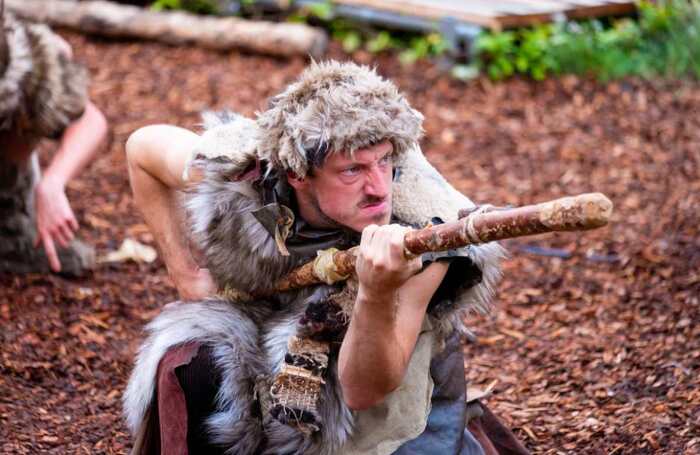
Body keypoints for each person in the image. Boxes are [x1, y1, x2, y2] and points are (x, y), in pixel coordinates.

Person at [123, 61, 529, 454]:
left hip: (380, 389)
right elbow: (142, 147)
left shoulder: (428, 233)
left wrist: (376, 292)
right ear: (297, 174)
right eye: (352, 170)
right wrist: (187, 276)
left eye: (385, 161)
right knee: (191, 357)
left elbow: (364, 390)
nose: (377, 188)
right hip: (278, 324)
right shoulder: (248, 174)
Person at [0, 6, 107, 275]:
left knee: (71, 260)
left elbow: (90, 121)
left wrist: (52, 183)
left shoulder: (25, 61)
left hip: (8, 191)